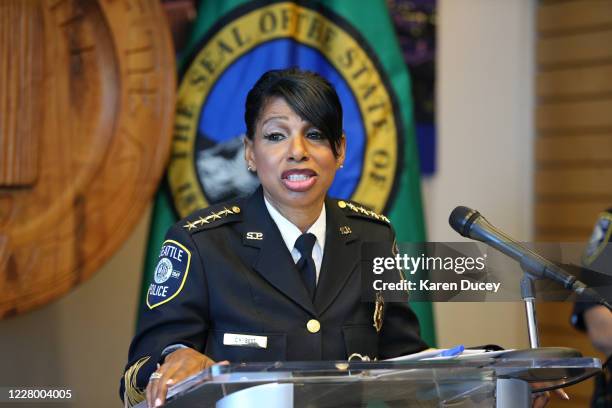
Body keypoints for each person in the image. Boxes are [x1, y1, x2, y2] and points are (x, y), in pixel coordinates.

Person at [120, 68, 428, 407]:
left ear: (339, 151)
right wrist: (175, 360)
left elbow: (405, 364)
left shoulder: (375, 237)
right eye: (276, 136)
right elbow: (134, 380)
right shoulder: (201, 244)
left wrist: (480, 366)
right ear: (250, 152)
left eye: (314, 134)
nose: (297, 151)